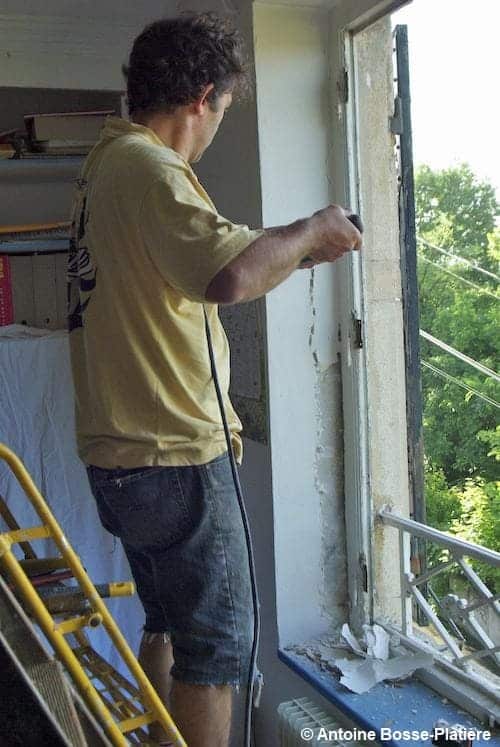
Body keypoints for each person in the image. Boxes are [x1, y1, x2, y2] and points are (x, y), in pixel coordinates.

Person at [67, 12, 361, 747]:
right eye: (225, 110)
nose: (218, 125)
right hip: (174, 456)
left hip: (122, 459)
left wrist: (291, 253)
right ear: (202, 96)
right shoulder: (151, 168)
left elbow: (209, 264)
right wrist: (312, 230)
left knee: (167, 620)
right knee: (219, 647)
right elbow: (227, 275)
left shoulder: (106, 163)